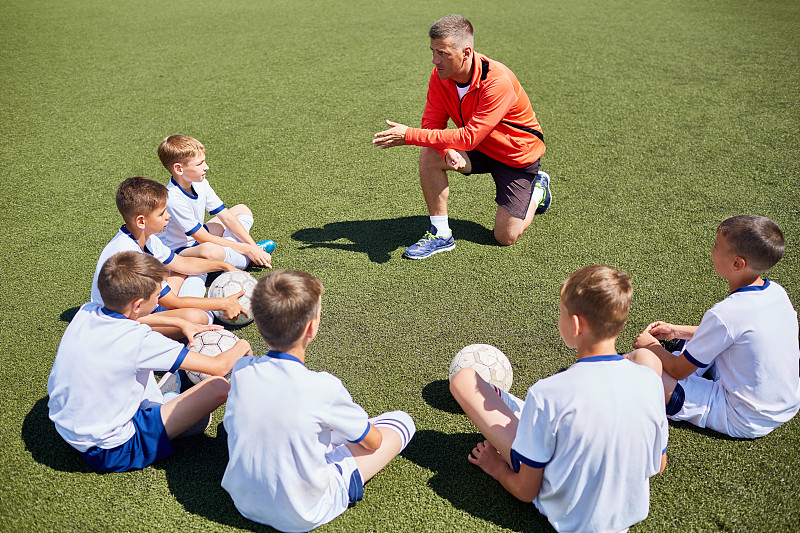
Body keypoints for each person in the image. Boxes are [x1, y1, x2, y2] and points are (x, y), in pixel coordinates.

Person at [450, 265, 667, 532]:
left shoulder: (546, 393)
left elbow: (525, 490)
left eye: (561, 313)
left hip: (567, 514)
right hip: (628, 514)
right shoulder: (649, 382)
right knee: (646, 358)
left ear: (575, 324)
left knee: (463, 379)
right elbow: (658, 465)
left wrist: (496, 467)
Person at [221, 270, 416, 532]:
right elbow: (374, 442)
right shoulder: (324, 387)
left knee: (316, 428)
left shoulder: (243, 370)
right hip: (303, 513)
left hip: (243, 502)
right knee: (401, 422)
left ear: (259, 324)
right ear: (311, 327)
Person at [48, 251, 252, 472]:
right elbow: (218, 367)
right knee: (218, 386)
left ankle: (164, 402)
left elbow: (138, 320)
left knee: (134, 367)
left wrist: (178, 322)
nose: (159, 300)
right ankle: (169, 405)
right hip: (112, 449)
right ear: (137, 304)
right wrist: (241, 345)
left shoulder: (86, 312)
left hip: (66, 428)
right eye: (157, 296)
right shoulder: (140, 340)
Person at [373, 14, 552, 259]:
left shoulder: (497, 81)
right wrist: (446, 150)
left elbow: (468, 137)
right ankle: (440, 234)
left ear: (466, 52)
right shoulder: (440, 76)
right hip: (478, 147)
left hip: (515, 155)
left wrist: (408, 135)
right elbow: (433, 124)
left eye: (443, 53)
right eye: (433, 51)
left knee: (506, 237)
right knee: (430, 154)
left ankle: (538, 189)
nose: (435, 60)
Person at [628, 215, 800, 439]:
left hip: (742, 415)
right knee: (687, 345)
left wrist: (651, 347)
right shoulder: (777, 291)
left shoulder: (726, 313)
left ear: (737, 263)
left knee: (637, 365)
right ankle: (688, 359)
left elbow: (678, 370)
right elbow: (734, 334)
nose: (711, 250)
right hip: (783, 404)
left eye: (717, 247)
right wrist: (676, 331)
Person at [90, 176, 250, 339]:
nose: (168, 216)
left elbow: (182, 263)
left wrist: (224, 266)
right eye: (161, 213)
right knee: (198, 317)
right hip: (122, 324)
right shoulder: (130, 257)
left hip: (143, 305)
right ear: (141, 221)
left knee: (179, 271)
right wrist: (222, 303)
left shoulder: (148, 239)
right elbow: (174, 303)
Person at [156, 135, 272, 290]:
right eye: (200, 163)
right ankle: (244, 260)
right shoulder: (173, 198)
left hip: (198, 237)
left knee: (241, 209)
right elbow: (203, 238)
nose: (206, 167)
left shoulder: (201, 183)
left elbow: (226, 217)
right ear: (179, 169)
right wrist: (247, 250)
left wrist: (252, 247)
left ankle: (237, 256)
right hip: (180, 251)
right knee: (209, 249)